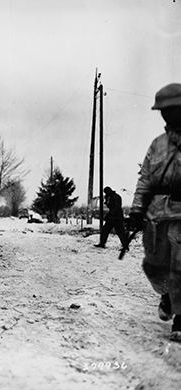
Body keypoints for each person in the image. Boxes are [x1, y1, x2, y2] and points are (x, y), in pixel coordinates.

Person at [129, 83, 181, 342]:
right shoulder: (157, 146)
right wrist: (137, 210)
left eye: (172, 110)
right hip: (158, 214)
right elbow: (145, 180)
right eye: (163, 111)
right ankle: (167, 296)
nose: (167, 115)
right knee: (154, 265)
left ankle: (180, 320)